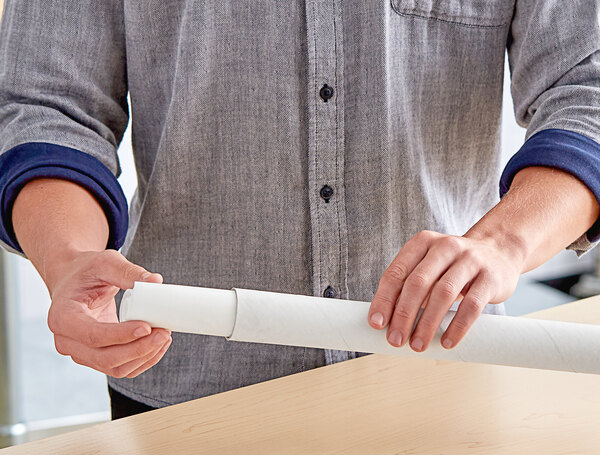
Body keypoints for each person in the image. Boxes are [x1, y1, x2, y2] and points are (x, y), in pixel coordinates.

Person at [1, 1, 599, 419]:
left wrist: (505, 244)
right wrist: (70, 257)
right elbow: (47, 105)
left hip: (441, 384)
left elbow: (587, 91)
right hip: (187, 398)